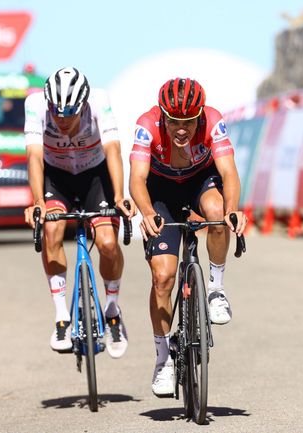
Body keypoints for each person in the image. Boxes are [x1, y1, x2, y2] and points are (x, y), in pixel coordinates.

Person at [129, 77, 247, 397]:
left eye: (189, 122)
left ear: (199, 117)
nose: (182, 130)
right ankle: (163, 359)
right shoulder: (147, 125)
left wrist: (233, 209)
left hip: (199, 181)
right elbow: (137, 179)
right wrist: (146, 211)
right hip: (160, 192)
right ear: (163, 116)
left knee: (218, 213)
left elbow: (229, 172)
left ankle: (215, 289)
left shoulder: (213, 120)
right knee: (163, 278)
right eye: (175, 122)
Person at [23, 67, 137, 358]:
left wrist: (120, 195)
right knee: (51, 230)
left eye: (70, 114)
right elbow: (35, 157)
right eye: (57, 114)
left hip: (94, 176)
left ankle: (112, 311)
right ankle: (62, 315)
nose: (62, 121)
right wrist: (37, 201)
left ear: (83, 105)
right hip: (56, 177)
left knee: (108, 243)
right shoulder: (35, 105)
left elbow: (113, 150)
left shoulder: (99, 101)